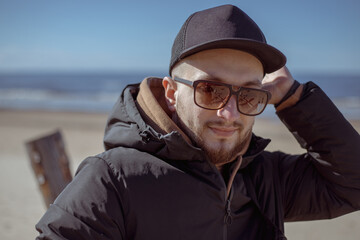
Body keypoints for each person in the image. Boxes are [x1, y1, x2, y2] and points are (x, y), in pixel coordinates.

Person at [35, 4, 360, 240]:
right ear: (172, 92)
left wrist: (294, 98)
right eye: (210, 89)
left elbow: (353, 184)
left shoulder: (266, 177)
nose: (229, 114)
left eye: (247, 94)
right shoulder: (112, 180)